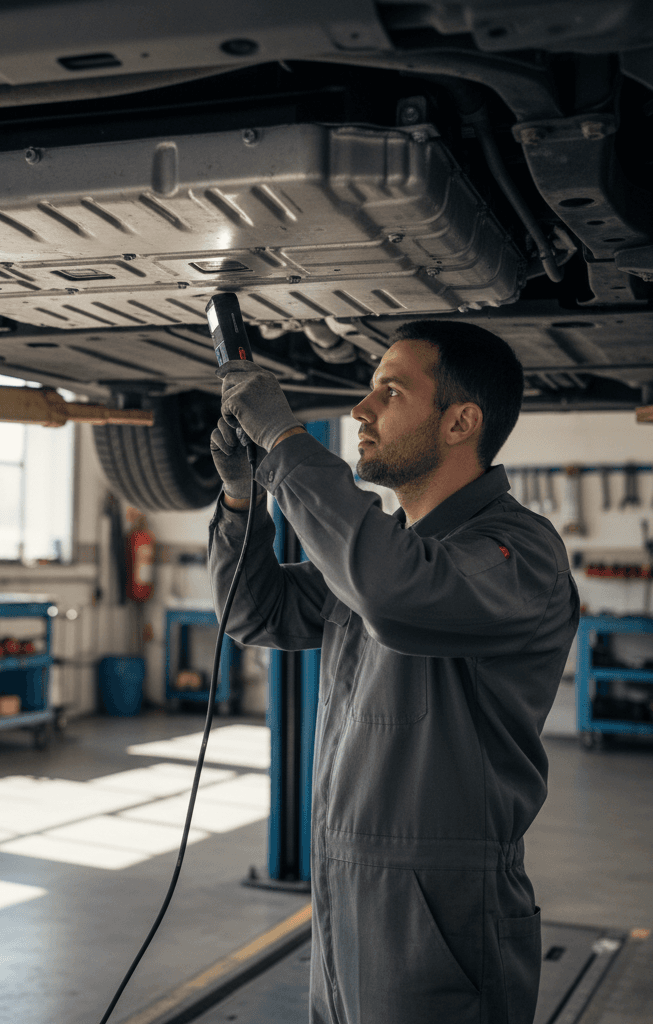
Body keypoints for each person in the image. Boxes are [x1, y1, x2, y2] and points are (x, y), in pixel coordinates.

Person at [207, 320, 579, 1024]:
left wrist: (288, 445)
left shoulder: (518, 551)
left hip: (441, 916)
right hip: (345, 896)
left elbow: (397, 593)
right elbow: (256, 612)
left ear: (460, 422)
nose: (361, 410)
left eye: (390, 391)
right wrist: (239, 496)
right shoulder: (384, 553)